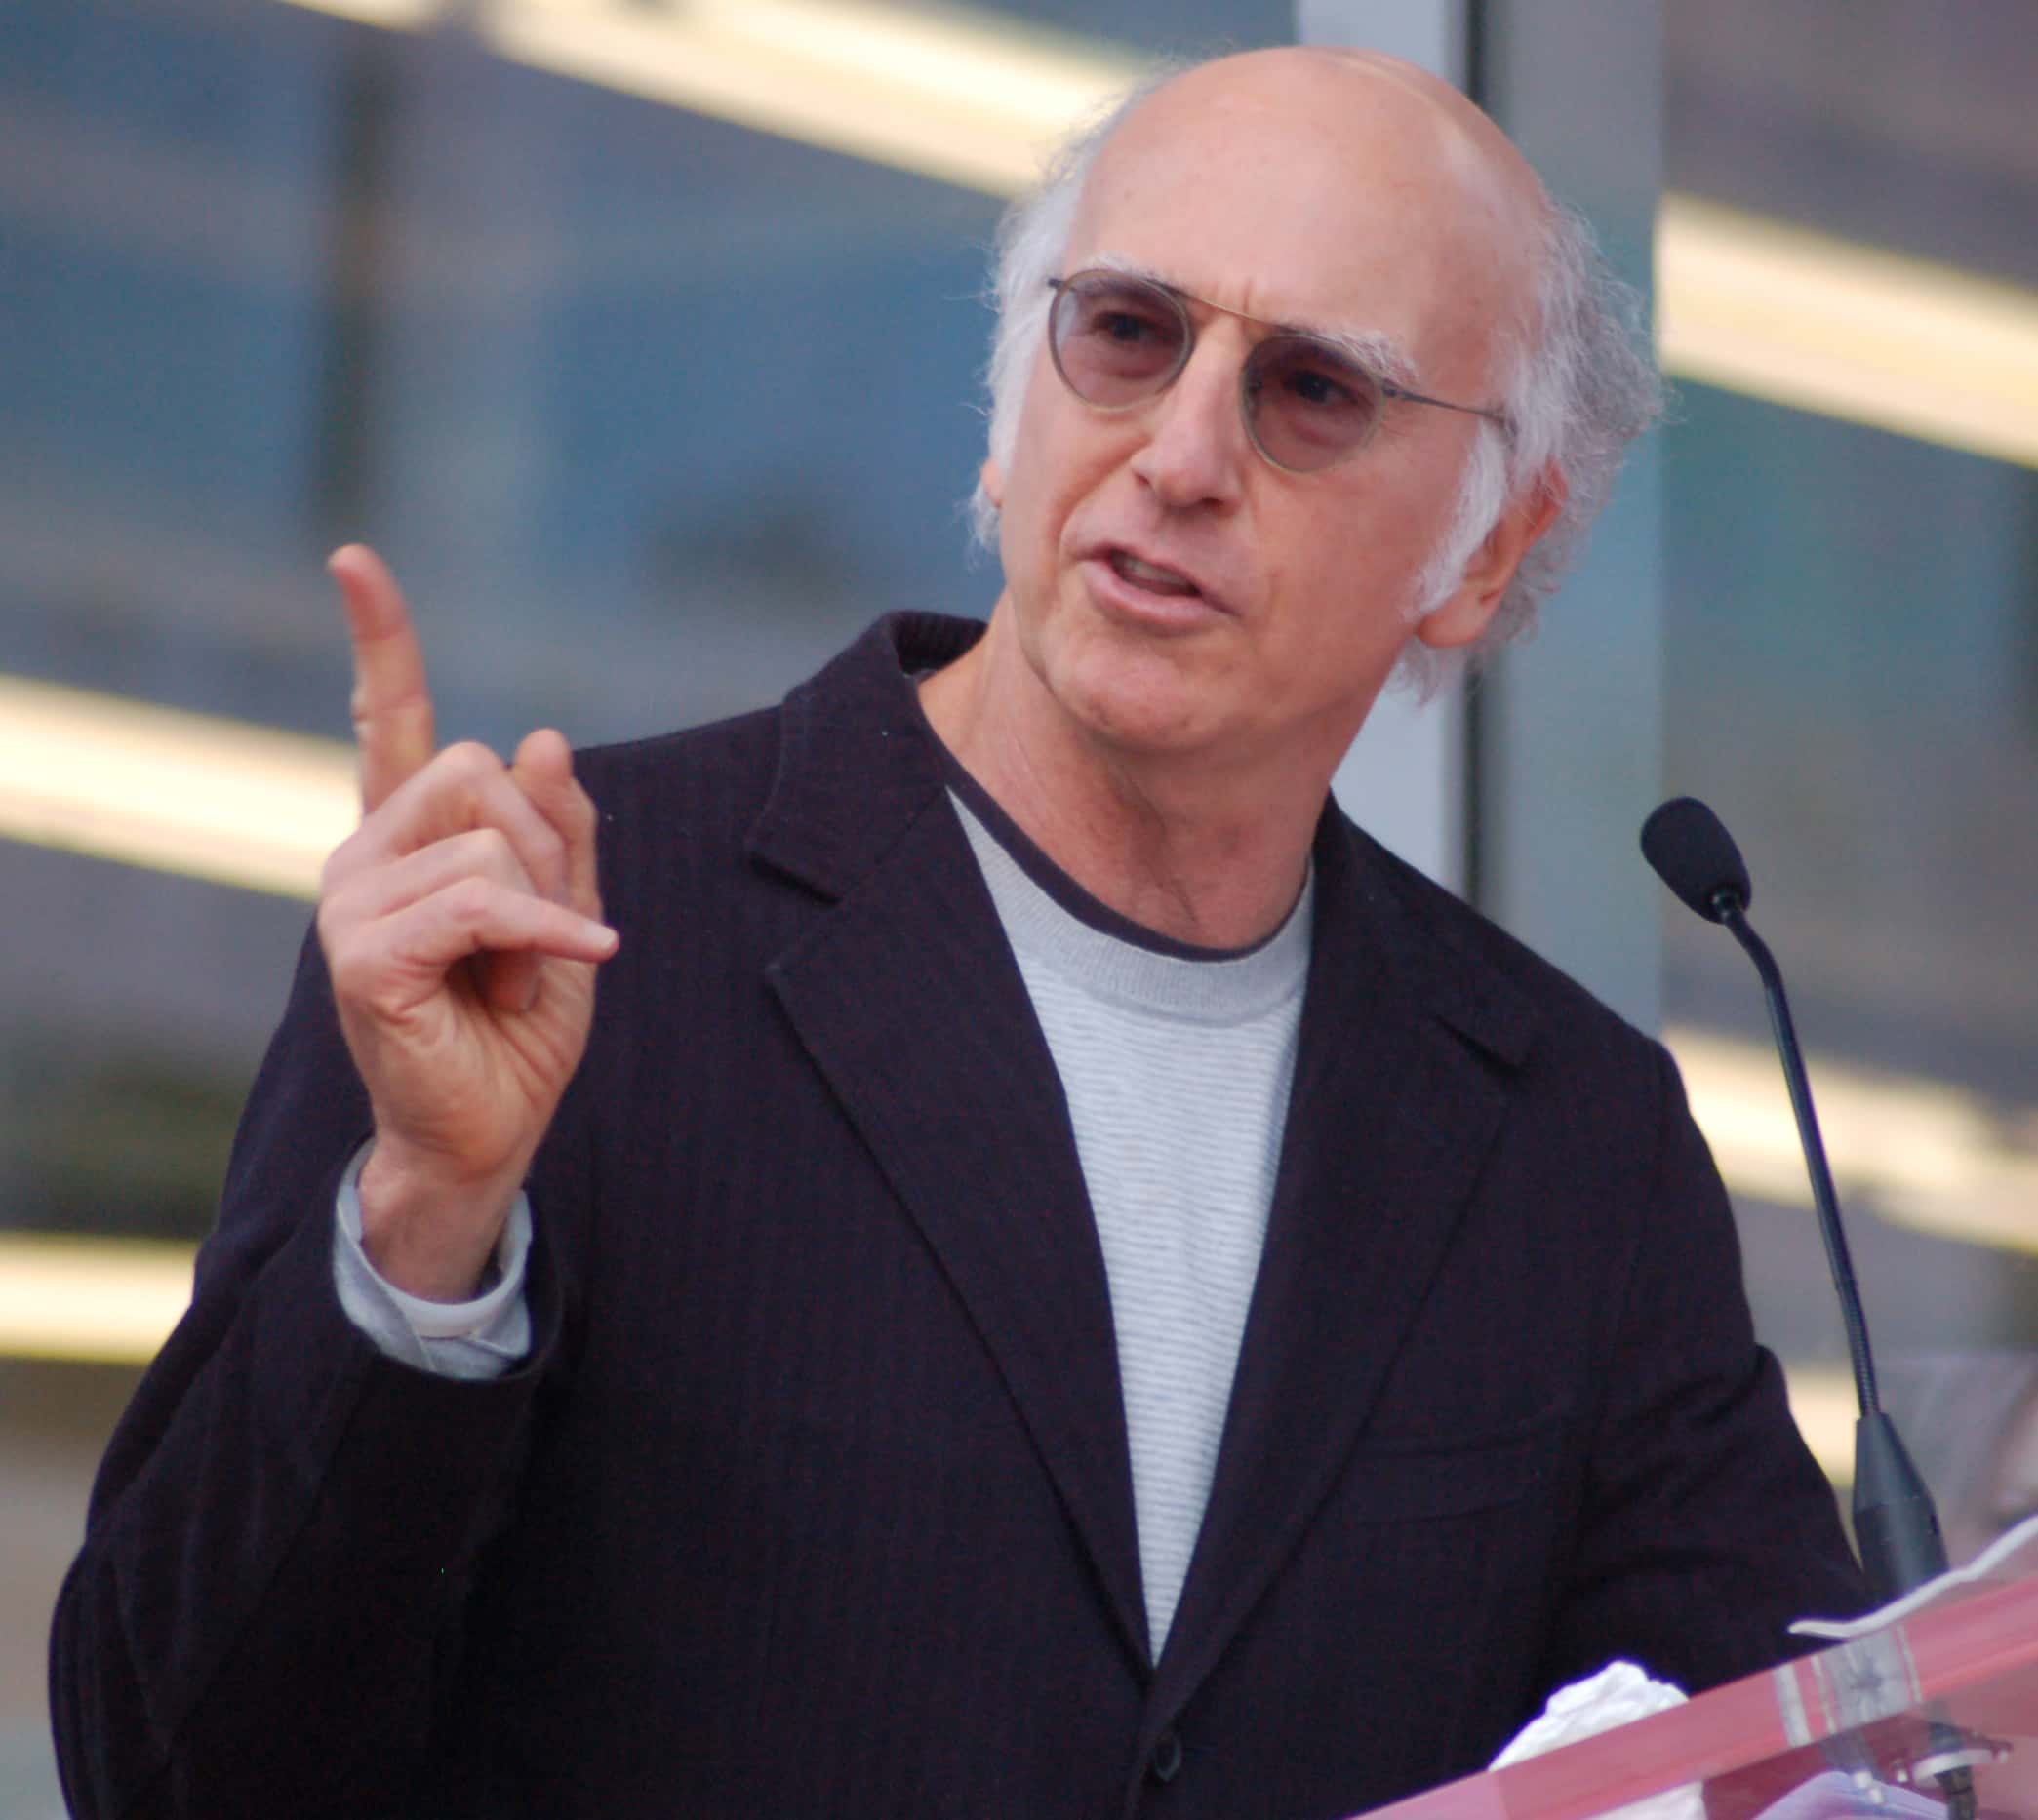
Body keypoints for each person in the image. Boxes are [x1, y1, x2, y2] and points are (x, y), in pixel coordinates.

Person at [51, 46, 1867, 1820]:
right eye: (1127, 333)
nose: (1177, 455)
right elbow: (176, 1764)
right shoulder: (569, 926)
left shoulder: (1568, 1138)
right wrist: (426, 1228)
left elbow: (1810, 1751)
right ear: (1009, 420)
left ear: (1487, 549)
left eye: (1311, 389)